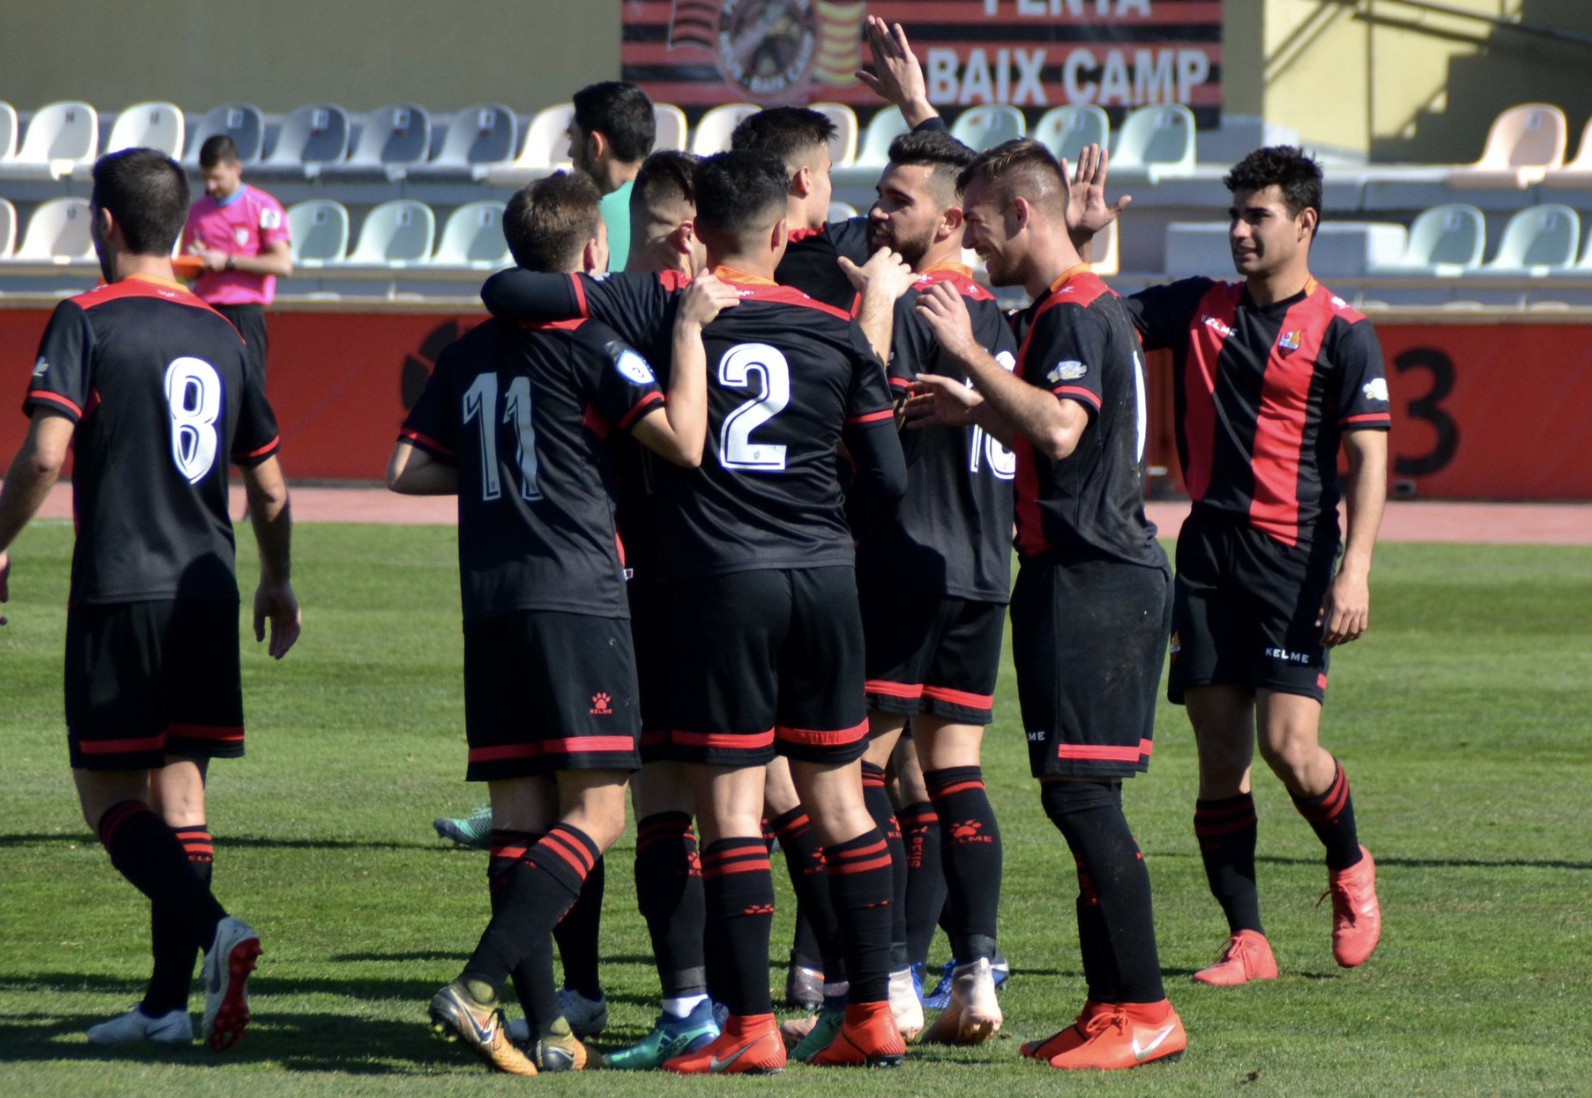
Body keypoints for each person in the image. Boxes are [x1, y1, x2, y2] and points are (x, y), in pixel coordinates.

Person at [479, 149, 914, 1072]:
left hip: (719, 584)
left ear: (692, 233)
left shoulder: (660, 304)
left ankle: (750, 1028)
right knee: (842, 801)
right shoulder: (836, 329)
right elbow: (889, 475)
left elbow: (513, 291)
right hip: (826, 578)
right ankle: (873, 1010)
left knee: (729, 808)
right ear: (788, 229)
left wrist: (682, 308)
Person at [388, 170, 734, 1075]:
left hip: (490, 601)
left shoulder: (465, 353)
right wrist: (690, 333)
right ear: (592, 252)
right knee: (601, 814)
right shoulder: (596, 344)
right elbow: (686, 443)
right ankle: (475, 988)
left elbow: (404, 470)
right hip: (578, 595)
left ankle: (546, 1028)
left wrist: (506, 472)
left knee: (518, 820)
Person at [0, 147, 300, 1052]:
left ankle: (217, 932)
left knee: (106, 797)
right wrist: (279, 578)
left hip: (122, 585)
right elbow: (273, 488)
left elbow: (47, 455)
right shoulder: (226, 331)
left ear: (105, 224)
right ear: (179, 228)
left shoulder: (84, 318)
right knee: (182, 792)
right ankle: (169, 1006)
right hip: (207, 589)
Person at [1075, 143, 1388, 985]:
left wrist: (1354, 571)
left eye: (1259, 215)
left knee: (1290, 748)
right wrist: (1083, 246)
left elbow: (1367, 460)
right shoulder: (1199, 307)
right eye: (1235, 215)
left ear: (1304, 224)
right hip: (1209, 555)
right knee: (1220, 751)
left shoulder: (1345, 334)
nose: (1241, 231)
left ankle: (1349, 864)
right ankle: (1248, 940)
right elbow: (1091, 315)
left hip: (1293, 561)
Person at [908, 138, 1185, 1070]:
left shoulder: (1071, 313)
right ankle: (1110, 1005)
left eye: (978, 217)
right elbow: (1065, 424)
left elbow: (1063, 430)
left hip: (1093, 576)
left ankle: (1145, 1007)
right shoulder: (1073, 308)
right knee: (1076, 797)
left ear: (1021, 213)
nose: (970, 237)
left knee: (1085, 802)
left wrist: (967, 358)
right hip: (1084, 573)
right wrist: (975, 406)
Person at [856, 125, 1018, 1048]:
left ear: (951, 217)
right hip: (984, 572)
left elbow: (857, 403)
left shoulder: (915, 304)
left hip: (909, 561)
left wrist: (870, 312)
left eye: (897, 202)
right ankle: (977, 969)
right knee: (954, 774)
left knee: (867, 771)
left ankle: (892, 976)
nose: (879, 214)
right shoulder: (997, 313)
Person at [181, 135, 293, 382]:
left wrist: (230, 261)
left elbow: (283, 264)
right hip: (206, 311)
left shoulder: (262, 207)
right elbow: (187, 268)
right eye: (206, 178)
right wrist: (196, 261)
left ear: (236, 169)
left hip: (244, 312)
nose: (210, 186)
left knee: (248, 391)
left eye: (217, 178)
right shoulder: (198, 212)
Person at [568, 80, 657, 272]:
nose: (569, 152)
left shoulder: (588, 220)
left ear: (595, 145)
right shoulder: (678, 210)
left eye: (572, 137)